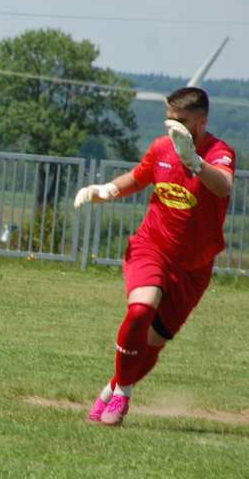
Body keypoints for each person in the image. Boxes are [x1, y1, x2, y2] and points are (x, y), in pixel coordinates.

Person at [74, 87, 235, 427]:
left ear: (202, 121)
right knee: (141, 308)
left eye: (181, 121)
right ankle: (125, 395)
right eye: (169, 120)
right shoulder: (161, 148)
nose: (172, 127)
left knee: (153, 343)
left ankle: (111, 390)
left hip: (193, 267)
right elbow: (139, 177)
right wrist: (105, 191)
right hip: (151, 246)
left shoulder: (220, 152)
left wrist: (195, 162)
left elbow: (223, 186)